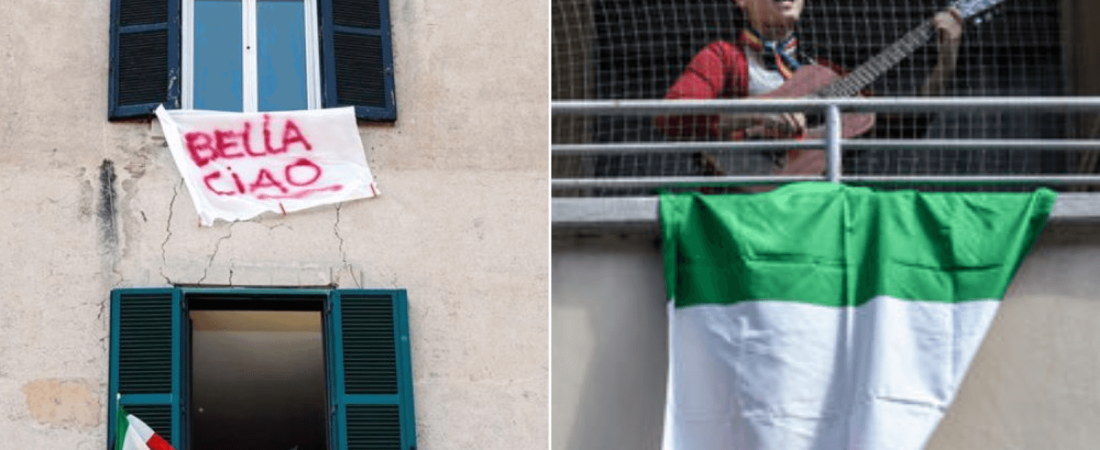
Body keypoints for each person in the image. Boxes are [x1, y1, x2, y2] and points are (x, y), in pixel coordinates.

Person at [655, 0, 964, 179]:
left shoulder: (825, 72)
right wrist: (756, 114)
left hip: (816, 206)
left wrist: (946, 59)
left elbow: (906, 125)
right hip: (736, 203)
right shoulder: (722, 56)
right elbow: (671, 117)